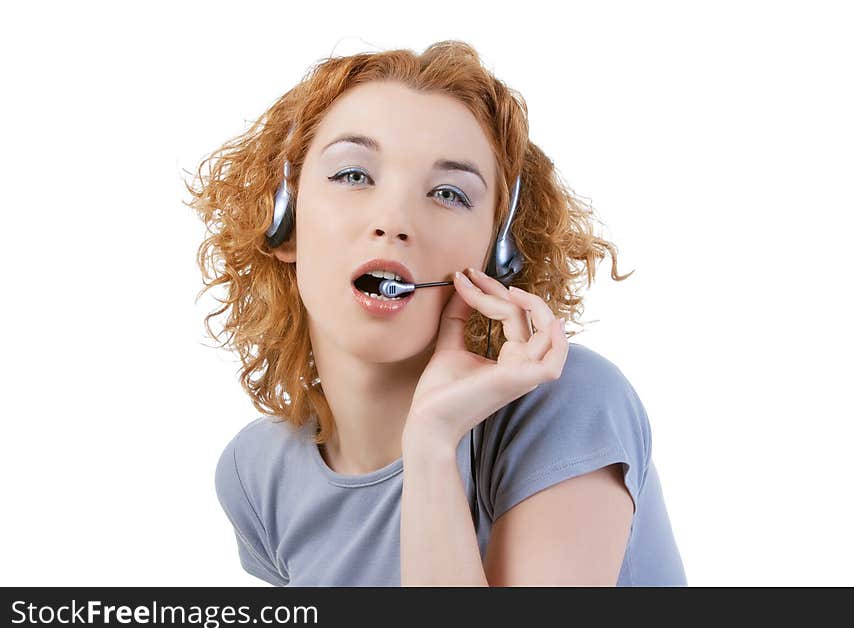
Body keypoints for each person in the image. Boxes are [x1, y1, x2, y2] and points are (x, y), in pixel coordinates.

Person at [186, 40, 687, 586]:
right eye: (353, 175)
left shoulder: (567, 402)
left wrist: (429, 444)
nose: (395, 219)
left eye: (449, 193)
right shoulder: (258, 475)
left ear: (497, 255)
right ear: (283, 222)